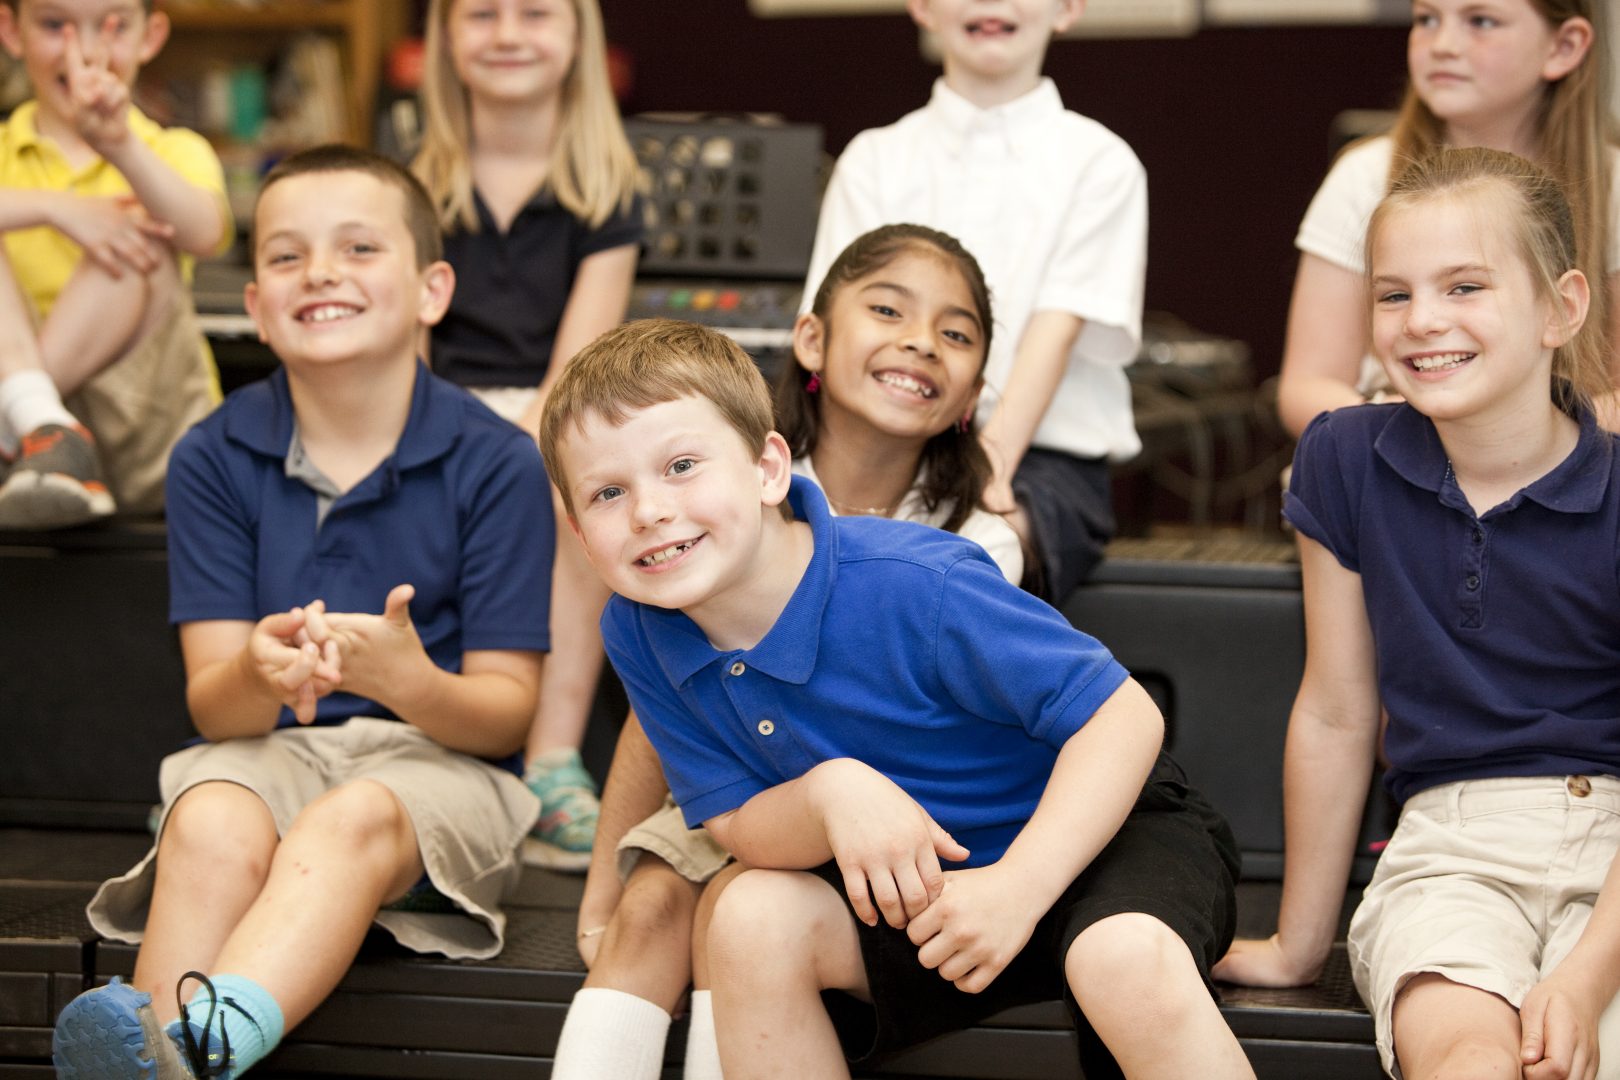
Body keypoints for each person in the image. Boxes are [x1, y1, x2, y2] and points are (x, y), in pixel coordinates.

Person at [538, 318, 1249, 1080]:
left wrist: (1020, 886)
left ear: (769, 468)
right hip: (925, 894)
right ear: (581, 535)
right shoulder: (638, 629)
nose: (648, 511)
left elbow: (1123, 716)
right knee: (748, 915)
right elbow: (738, 823)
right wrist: (827, 793)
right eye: (609, 492)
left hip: (1100, 846)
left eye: (681, 465)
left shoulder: (915, 583)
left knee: (1124, 957)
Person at [49, 145, 552, 1080]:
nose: (319, 272)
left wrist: (409, 683)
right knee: (206, 816)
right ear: (254, 310)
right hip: (268, 750)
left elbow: (503, 718)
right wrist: (256, 672)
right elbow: (215, 709)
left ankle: (181, 1053)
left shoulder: (499, 462)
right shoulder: (212, 455)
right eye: (285, 256)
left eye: (359, 248)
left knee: (346, 819)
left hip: (436, 771)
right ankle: (168, 1056)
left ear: (432, 289)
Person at [547, 224, 1021, 1080]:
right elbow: (661, 710)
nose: (920, 342)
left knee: (737, 909)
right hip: (743, 777)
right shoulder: (710, 476)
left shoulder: (972, 541)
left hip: (886, 805)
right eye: (887, 310)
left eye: (955, 335)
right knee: (652, 906)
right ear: (812, 338)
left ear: (973, 392)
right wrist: (600, 883)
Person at [1216, 148, 1620, 1080]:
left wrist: (1587, 977)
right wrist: (1296, 945)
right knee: (1469, 1062)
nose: (1423, 322)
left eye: (1465, 286)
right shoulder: (1343, 458)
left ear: (1563, 307)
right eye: (1393, 295)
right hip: (1451, 848)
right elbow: (1335, 709)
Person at [801, 0, 1147, 601]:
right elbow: (839, 323)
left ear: (1068, 8)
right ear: (923, 8)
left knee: (961, 565)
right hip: (872, 444)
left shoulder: (1101, 162)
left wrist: (985, 474)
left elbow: (1055, 329)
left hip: (1033, 458)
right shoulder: (875, 157)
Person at [412, 0, 644, 869]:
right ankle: (439, 742)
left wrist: (523, 439)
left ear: (577, 38)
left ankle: (551, 760)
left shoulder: (607, 191)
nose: (508, 33)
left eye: (535, 13)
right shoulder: (417, 188)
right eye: (482, 15)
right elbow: (406, 355)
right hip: (436, 405)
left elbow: (576, 371)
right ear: (445, 42)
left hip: (553, 411)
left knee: (576, 489)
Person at [1274, 0, 1614, 438]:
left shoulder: (1613, 187)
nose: (1443, 45)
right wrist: (1402, 430)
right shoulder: (1363, 177)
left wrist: (1520, 439)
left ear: (1564, 46)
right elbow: (1306, 386)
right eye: (1426, 19)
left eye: (1481, 21)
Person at [0, 0, 230, 529]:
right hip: (30, 409)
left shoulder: (172, 149)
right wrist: (54, 209)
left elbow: (205, 232)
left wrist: (120, 144)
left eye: (112, 27)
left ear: (150, 36)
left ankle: (24, 425)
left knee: (142, 242)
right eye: (55, 25)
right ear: (12, 33)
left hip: (145, 438)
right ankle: (41, 420)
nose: (84, 53)